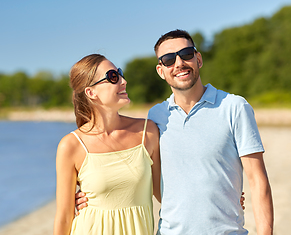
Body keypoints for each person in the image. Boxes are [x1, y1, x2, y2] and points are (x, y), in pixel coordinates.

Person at [75, 29, 273, 235]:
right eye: (169, 59)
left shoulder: (234, 107)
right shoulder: (155, 118)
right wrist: (89, 194)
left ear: (198, 59)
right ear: (161, 71)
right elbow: (146, 179)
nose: (179, 63)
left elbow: (258, 181)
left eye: (186, 54)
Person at [53, 54, 161, 235]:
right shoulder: (71, 145)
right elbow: (64, 216)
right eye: (113, 77)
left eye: (120, 73)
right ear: (91, 92)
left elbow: (164, 193)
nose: (123, 81)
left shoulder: (147, 131)